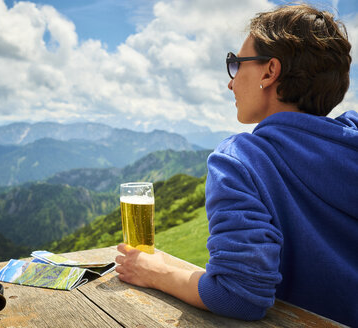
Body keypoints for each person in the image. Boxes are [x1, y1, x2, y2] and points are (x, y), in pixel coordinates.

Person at [114, 3, 358, 326]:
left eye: (236, 63)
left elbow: (239, 295)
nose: (230, 82)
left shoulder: (240, 161)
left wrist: (153, 271)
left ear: (270, 72)